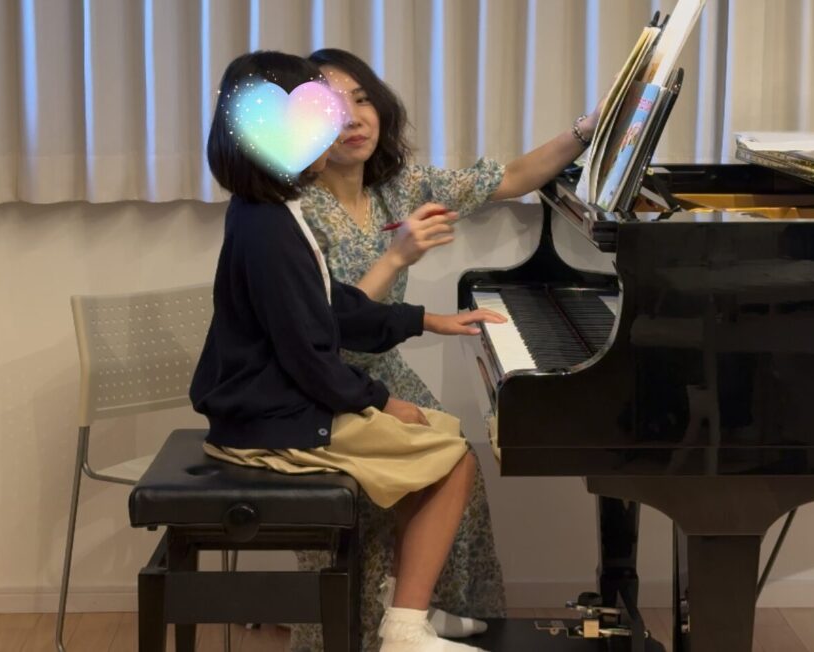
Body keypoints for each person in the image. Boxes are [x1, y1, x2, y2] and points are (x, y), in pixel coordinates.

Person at [191, 50, 506, 652]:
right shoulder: (268, 227)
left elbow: (330, 306)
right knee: (451, 459)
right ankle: (405, 628)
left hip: (273, 405)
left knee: (441, 435)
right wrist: (379, 401)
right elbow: (308, 351)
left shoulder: (271, 213)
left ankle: (401, 606)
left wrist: (425, 320)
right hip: (270, 420)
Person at [291, 47, 604, 652]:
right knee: (431, 461)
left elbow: (512, 177)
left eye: (362, 99)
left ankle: (423, 609)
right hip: (321, 382)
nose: (352, 117)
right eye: (331, 105)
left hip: (379, 369)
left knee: (458, 452)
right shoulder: (299, 211)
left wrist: (585, 130)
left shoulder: (398, 187)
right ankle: (380, 625)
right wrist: (398, 257)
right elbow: (330, 327)